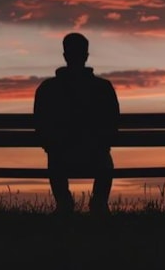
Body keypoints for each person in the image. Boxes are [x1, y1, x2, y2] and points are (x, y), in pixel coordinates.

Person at [34, 32, 120, 215]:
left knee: (54, 154)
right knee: (106, 159)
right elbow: (113, 125)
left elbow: (40, 127)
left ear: (65, 56)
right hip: (96, 156)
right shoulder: (103, 88)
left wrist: (54, 143)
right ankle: (98, 203)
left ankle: (64, 203)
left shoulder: (47, 89)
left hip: (60, 158)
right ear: (86, 56)